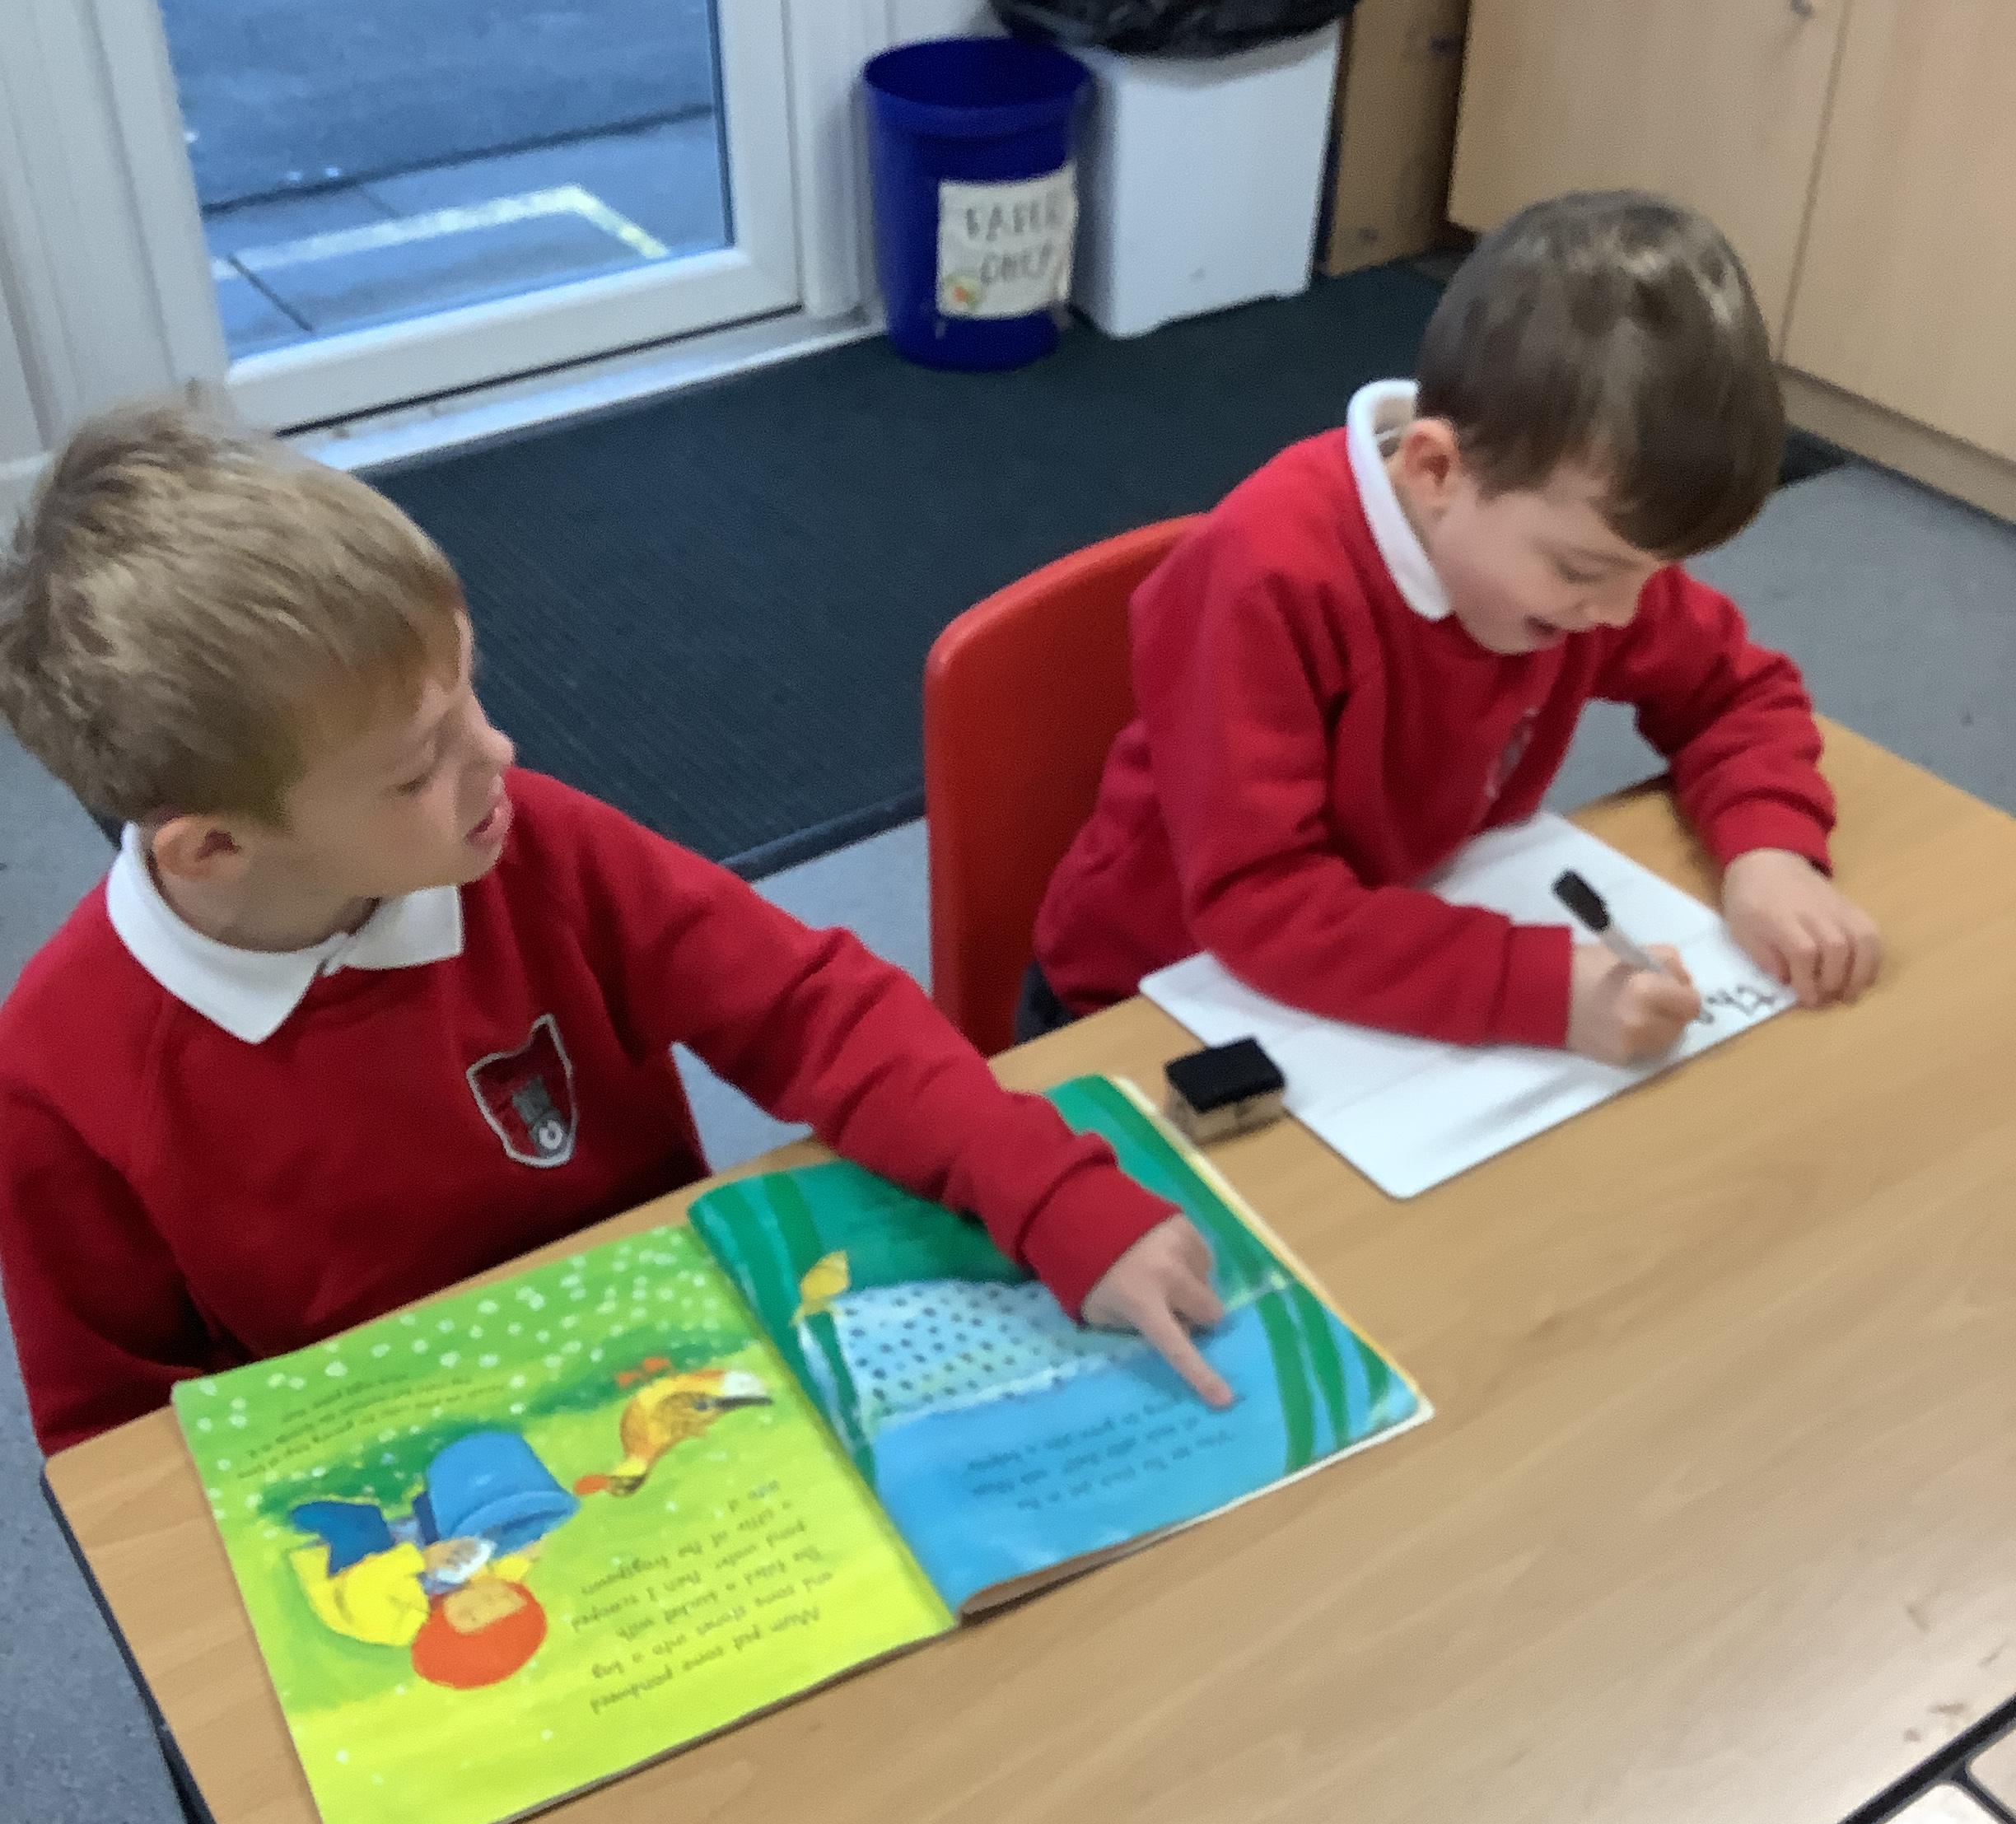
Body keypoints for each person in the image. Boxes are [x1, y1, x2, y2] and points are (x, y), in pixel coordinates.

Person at [0, 402, 1230, 1456]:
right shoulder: (59, 1077)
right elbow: (117, 1442)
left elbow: (810, 1009)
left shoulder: (527, 841)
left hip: (685, 1376)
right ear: (213, 849)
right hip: (418, 1479)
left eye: (470, 691)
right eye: (420, 766)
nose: (498, 751)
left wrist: (1048, 1192)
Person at [1028, 191, 1881, 1058]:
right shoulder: (1265, 577)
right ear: (1435, 469)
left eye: (1652, 574)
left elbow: (1735, 694)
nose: (1620, 615)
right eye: (1583, 572)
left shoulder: (1581, 545)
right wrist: (1541, 991)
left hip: (1384, 943)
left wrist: (1769, 852)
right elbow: (1259, 898)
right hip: (1153, 994)